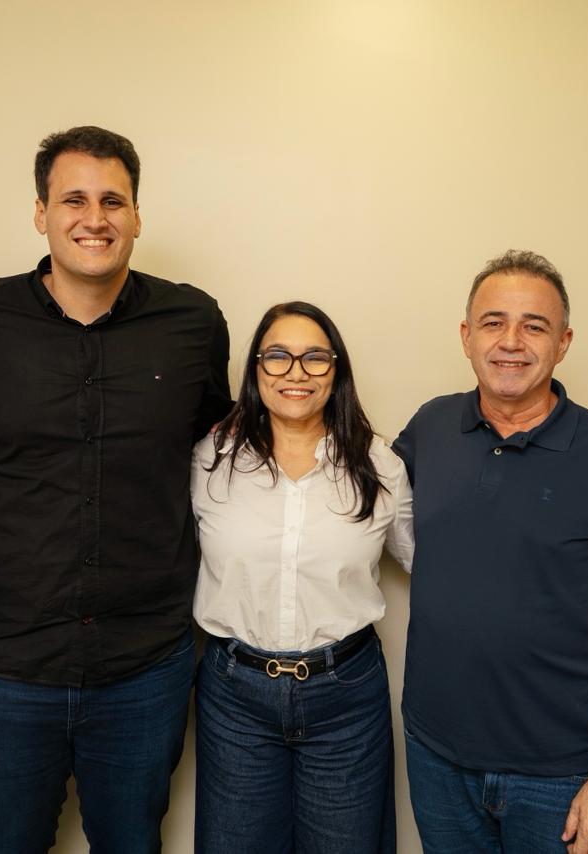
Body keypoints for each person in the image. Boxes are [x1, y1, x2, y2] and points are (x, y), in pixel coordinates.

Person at [0, 125, 232, 853]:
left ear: (138, 216)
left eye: (113, 201)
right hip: (3, 667)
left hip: (143, 664)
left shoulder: (193, 322)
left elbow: (218, 442)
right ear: (41, 213)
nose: (95, 218)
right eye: (74, 200)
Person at [393, 250, 588, 854]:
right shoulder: (431, 426)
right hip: (436, 753)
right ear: (466, 336)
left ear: (563, 343)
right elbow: (354, 490)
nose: (511, 342)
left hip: (563, 770)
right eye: (493, 323)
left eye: (534, 326)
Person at [191, 301, 413, 853]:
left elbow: (430, 565)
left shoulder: (380, 466)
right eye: (278, 356)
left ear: (336, 370)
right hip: (235, 696)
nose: (296, 372)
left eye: (315, 357)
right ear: (255, 369)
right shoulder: (209, 460)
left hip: (346, 696)